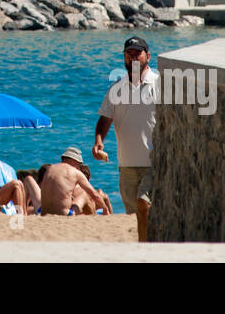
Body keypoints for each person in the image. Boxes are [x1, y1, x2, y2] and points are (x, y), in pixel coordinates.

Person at [93, 35, 158, 241]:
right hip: (126, 164)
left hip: (153, 162)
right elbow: (105, 118)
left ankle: (146, 249)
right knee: (135, 215)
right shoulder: (117, 88)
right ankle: (145, 246)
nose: (133, 57)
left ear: (148, 56)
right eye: (129, 54)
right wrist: (98, 141)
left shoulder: (159, 85)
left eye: (137, 53)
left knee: (143, 204)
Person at [25, 147, 112, 216]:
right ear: (76, 161)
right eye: (79, 164)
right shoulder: (75, 172)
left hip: (42, 212)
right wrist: (105, 208)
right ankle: (93, 218)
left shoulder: (50, 169)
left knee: (28, 179)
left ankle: (22, 212)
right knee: (85, 194)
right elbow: (94, 195)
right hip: (64, 214)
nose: (79, 167)